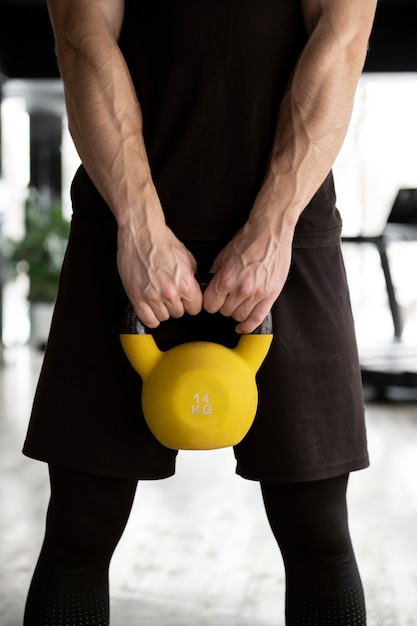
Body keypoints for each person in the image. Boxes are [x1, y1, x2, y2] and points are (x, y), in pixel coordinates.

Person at [22, 0, 377, 624]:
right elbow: (83, 36)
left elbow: (342, 37)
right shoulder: (129, 228)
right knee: (79, 532)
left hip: (287, 230)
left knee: (319, 534)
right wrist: (138, 227)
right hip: (123, 224)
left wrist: (273, 227)